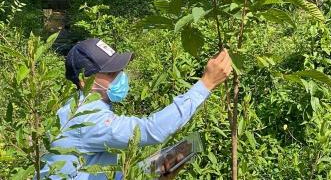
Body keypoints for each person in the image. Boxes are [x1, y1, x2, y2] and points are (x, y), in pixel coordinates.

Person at [39, 38, 232, 179]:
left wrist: (156, 169)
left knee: (177, 154)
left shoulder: (81, 105)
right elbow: (150, 130)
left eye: (119, 70)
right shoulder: (84, 117)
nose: (120, 76)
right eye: (110, 73)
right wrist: (205, 84)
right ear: (83, 80)